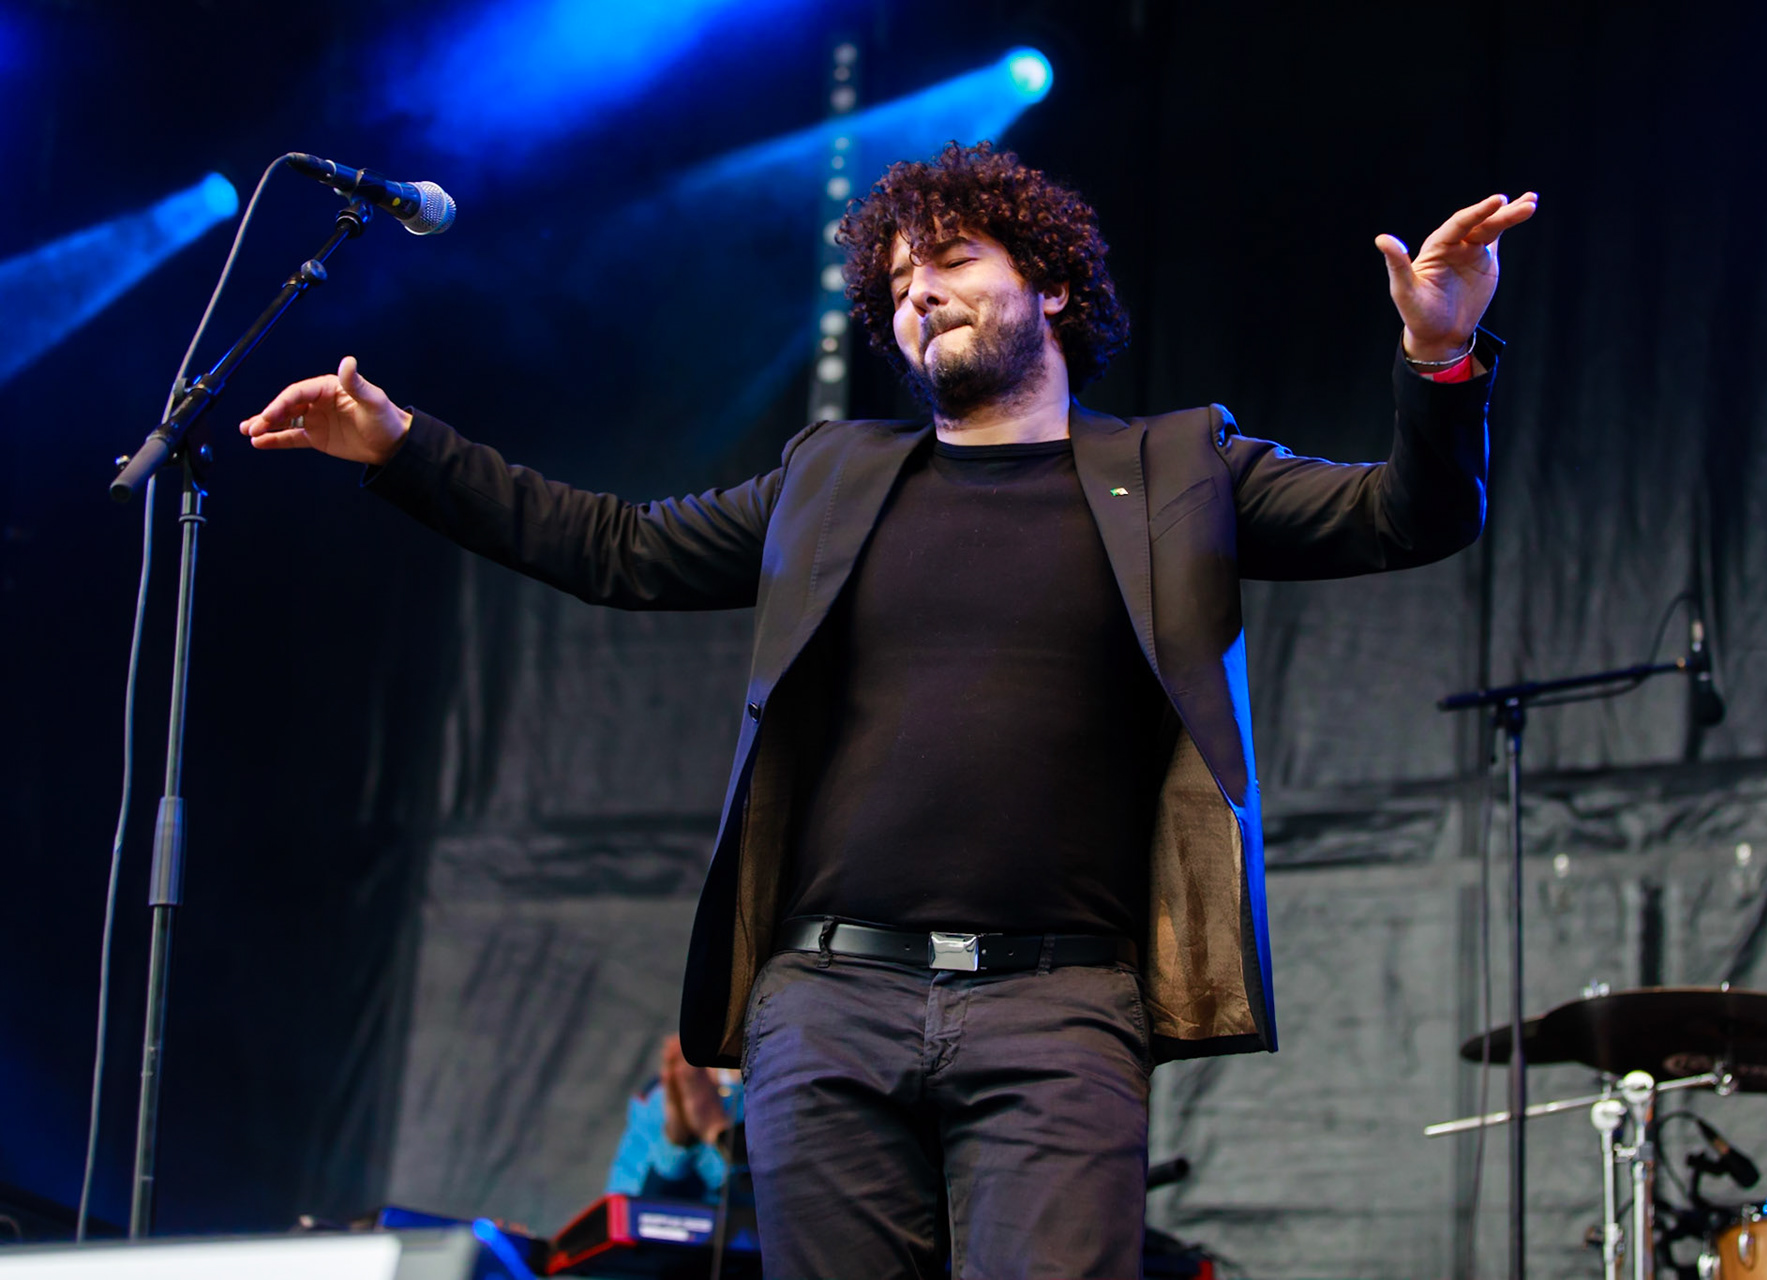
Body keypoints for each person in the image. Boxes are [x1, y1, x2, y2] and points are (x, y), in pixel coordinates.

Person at [240, 141, 1535, 1278]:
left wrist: (1437, 350)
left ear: (1052, 289)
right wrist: (407, 449)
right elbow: (615, 550)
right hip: (829, 1001)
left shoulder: (1177, 470)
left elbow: (1408, 516)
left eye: (954, 260)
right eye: (900, 282)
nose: (918, 290)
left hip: (1062, 1005)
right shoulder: (831, 475)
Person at [606, 1036, 745, 1204]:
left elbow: (773, 1209)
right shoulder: (657, 1098)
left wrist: (715, 1131)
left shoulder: (776, 1092)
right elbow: (623, 1210)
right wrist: (676, 1142)